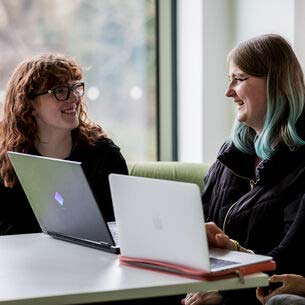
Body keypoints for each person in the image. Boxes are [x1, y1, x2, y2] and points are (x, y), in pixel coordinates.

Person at [181, 33, 305, 305]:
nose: (228, 92)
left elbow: (290, 262)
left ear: (275, 83)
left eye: (239, 79)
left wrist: (225, 295)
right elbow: (199, 219)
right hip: (208, 284)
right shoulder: (231, 154)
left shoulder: (301, 165)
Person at [0, 53, 128, 235]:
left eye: (75, 87)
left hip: (92, 260)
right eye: (60, 91)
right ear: (30, 104)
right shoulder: (6, 160)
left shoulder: (104, 154)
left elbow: (121, 224)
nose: (74, 97)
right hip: (25, 261)